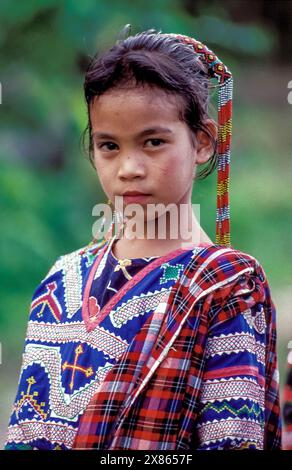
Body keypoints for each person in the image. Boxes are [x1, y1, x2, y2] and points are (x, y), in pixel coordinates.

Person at [5, 28, 282, 450]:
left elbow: (233, 441)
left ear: (203, 141)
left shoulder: (225, 284)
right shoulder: (60, 281)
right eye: (109, 146)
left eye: (153, 142)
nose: (129, 167)